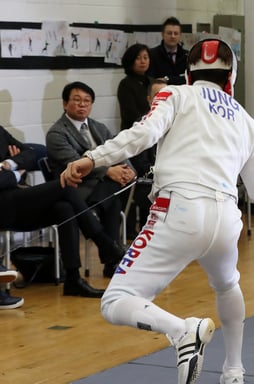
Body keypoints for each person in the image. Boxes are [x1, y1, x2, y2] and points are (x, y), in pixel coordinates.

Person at [60, 38, 254, 384]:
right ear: (231, 76)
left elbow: (142, 134)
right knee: (228, 285)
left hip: (179, 210)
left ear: (188, 72)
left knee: (115, 301)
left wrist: (92, 158)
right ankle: (233, 372)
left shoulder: (175, 94)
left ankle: (182, 330)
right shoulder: (244, 118)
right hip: (227, 221)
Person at [0, 125, 124, 297]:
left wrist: (9, 163)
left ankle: (73, 280)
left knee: (64, 208)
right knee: (65, 187)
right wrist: (15, 173)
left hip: (17, 200)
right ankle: (104, 243)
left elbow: (31, 153)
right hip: (3, 207)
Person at [46, 81, 136, 277]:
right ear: (64, 104)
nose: (82, 105)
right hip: (76, 191)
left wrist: (128, 169)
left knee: (113, 194)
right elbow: (75, 162)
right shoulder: (56, 133)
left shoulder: (99, 127)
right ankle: (111, 259)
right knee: (112, 195)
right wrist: (107, 172)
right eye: (77, 100)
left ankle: (109, 252)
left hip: (102, 189)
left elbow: (118, 150)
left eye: (87, 101)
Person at [117, 43, 153, 238]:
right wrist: (149, 123)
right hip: (134, 135)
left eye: (146, 57)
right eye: (139, 58)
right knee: (138, 180)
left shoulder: (151, 81)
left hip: (152, 136)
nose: (143, 61)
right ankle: (129, 229)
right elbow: (131, 113)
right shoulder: (126, 84)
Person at [146, 16, 188, 85]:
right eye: (169, 33)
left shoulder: (187, 56)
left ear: (180, 35)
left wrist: (167, 79)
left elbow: (189, 79)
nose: (173, 36)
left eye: (176, 33)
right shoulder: (152, 55)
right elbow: (151, 79)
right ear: (162, 34)